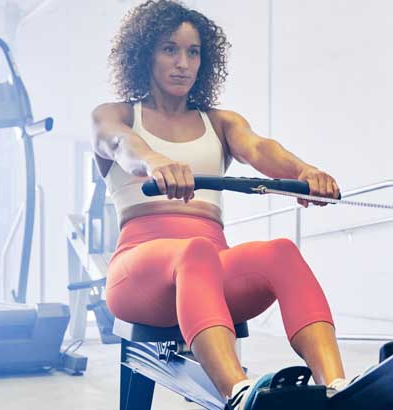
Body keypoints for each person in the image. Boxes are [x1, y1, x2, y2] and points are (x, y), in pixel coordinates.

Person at [92, 1, 347, 407]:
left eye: (193, 52)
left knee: (280, 252)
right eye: (169, 49)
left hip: (209, 270)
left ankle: (338, 388)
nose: (183, 63)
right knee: (195, 252)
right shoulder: (115, 115)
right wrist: (156, 162)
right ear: (145, 54)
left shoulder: (220, 122)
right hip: (139, 274)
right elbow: (122, 145)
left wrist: (305, 171)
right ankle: (238, 392)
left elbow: (259, 149)